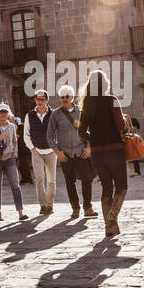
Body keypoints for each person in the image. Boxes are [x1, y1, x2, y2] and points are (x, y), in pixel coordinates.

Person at [77, 69, 129, 236]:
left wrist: (91, 139)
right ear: (105, 84)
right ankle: (112, 214)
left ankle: (110, 227)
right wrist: (125, 124)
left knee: (106, 187)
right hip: (115, 150)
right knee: (121, 186)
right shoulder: (112, 100)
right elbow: (121, 126)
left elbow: (81, 131)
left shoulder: (86, 105)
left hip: (97, 153)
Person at [47, 85, 96, 220]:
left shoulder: (82, 112)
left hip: (81, 151)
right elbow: (49, 136)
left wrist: (89, 148)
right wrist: (57, 152)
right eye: (62, 97)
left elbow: (92, 130)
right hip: (65, 154)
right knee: (70, 182)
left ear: (72, 97)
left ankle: (88, 207)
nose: (64, 99)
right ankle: (75, 209)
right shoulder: (55, 114)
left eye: (67, 97)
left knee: (87, 180)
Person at [0, 104, 28, 223]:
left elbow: (15, 142)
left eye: (5, 112)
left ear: (8, 114)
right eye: (0, 112)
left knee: (15, 185)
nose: (3, 114)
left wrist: (15, 154)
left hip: (9, 159)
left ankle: (20, 212)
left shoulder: (12, 127)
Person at [23, 90, 57, 214]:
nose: (40, 102)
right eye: (38, 99)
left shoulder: (53, 114)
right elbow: (26, 134)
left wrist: (55, 146)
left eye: (42, 99)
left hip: (51, 151)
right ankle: (42, 205)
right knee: (39, 179)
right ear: (35, 100)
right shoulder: (30, 115)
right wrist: (32, 148)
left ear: (47, 101)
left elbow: (57, 132)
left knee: (51, 180)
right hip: (36, 150)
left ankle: (50, 205)